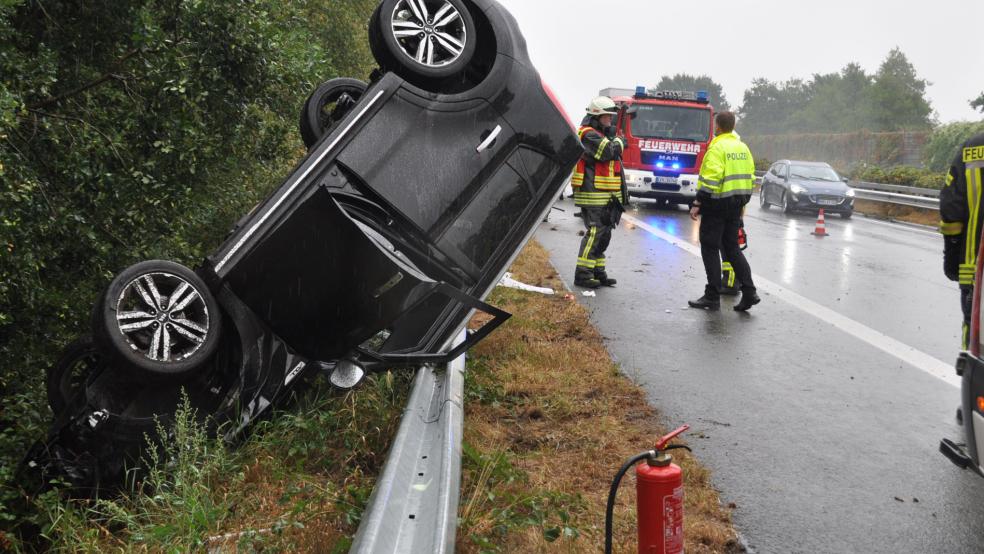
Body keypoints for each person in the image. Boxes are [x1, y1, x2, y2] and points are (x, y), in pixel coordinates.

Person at [687, 112, 760, 311]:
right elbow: (751, 177)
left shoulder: (717, 147)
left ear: (717, 126)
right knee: (732, 249)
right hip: (736, 206)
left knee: (710, 248)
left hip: (717, 205)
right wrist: (742, 201)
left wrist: (698, 202)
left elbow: (711, 179)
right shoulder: (742, 147)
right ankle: (750, 292)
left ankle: (712, 296)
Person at [571, 96, 628, 289]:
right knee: (595, 232)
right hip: (593, 193)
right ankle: (583, 274)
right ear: (596, 116)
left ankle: (597, 271)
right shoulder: (588, 134)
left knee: (604, 235)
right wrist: (620, 141)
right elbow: (608, 151)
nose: (609, 121)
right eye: (606, 117)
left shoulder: (599, 134)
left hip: (606, 194)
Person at [939, 132, 984, 349]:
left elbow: (951, 207)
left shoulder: (972, 148)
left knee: (975, 338)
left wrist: (952, 252)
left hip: (977, 272)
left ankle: (972, 377)